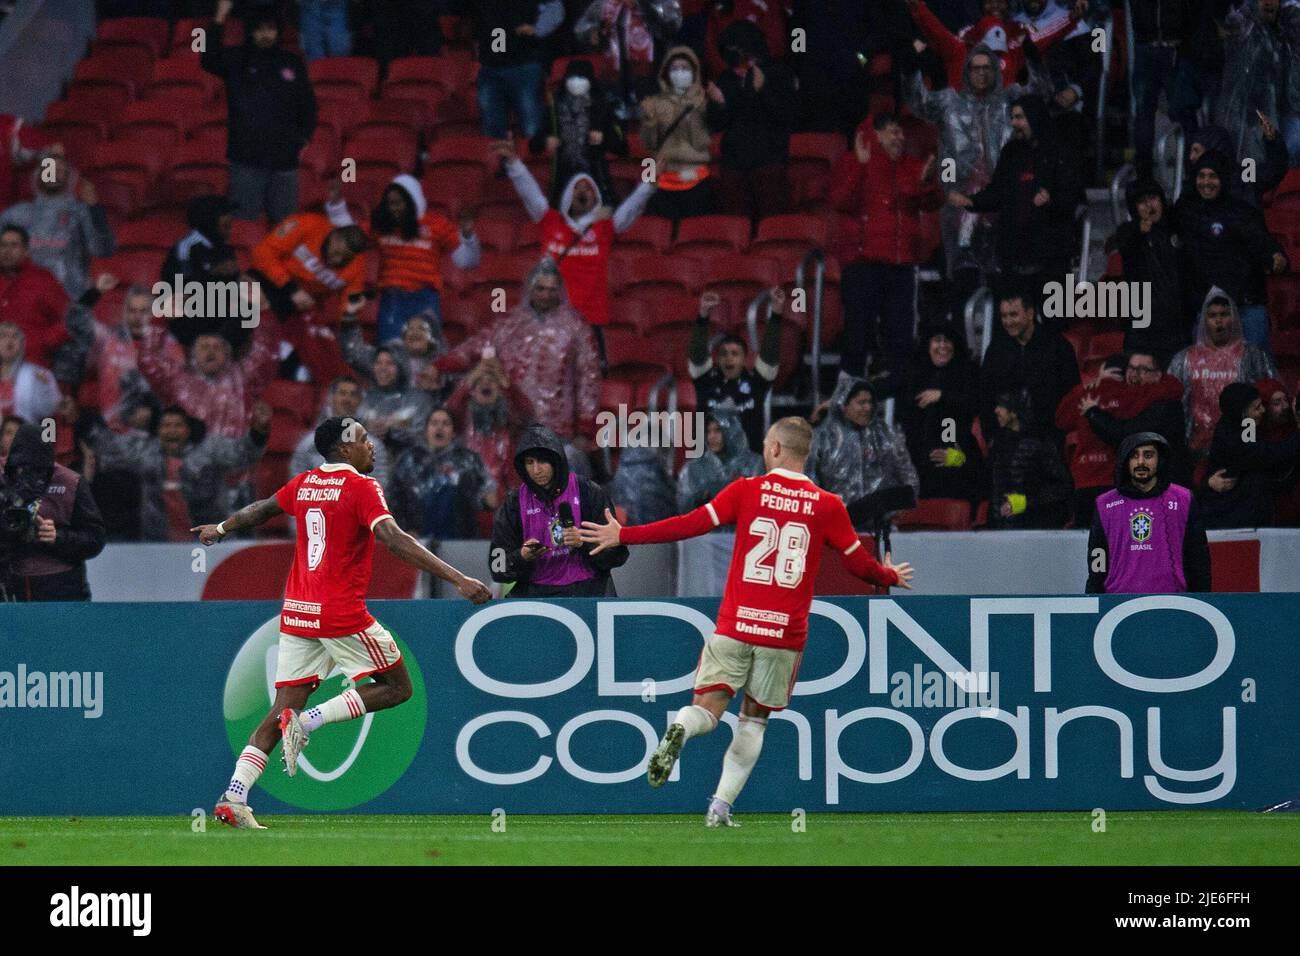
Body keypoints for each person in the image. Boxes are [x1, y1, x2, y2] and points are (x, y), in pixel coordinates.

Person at [578, 416, 913, 826]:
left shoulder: (747, 490)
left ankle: (683, 725)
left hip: (736, 625)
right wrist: (888, 575)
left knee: (706, 710)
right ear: (807, 454)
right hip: (783, 636)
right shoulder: (828, 505)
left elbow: (689, 524)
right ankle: (719, 806)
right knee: (753, 721)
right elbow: (857, 564)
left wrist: (625, 535)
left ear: (773, 449)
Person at [195, 415, 492, 829]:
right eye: (364, 441)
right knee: (398, 687)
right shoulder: (361, 486)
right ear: (344, 448)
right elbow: (394, 538)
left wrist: (221, 527)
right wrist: (459, 577)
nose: (371, 447)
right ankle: (310, 721)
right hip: (340, 613)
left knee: (279, 709)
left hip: (298, 611)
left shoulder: (304, 483)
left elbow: (260, 510)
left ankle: (235, 795)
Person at [905, 43, 1051, 307]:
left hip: (1006, 204)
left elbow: (1042, 95)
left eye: (987, 68)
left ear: (995, 71)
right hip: (962, 206)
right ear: (966, 71)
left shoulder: (1011, 101)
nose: (981, 73)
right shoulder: (949, 102)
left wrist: (1034, 58)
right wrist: (913, 64)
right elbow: (918, 102)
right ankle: (962, 338)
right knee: (963, 280)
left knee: (1004, 285)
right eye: (975, 68)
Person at [493, 137, 654, 334]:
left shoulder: (604, 228)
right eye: (577, 188)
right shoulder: (549, 220)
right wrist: (513, 162)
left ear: (596, 196)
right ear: (568, 194)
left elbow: (633, 205)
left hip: (590, 318)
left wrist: (650, 181)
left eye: (587, 188)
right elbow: (530, 192)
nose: (582, 192)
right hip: (550, 316)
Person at [436, 260, 601, 451]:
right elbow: (474, 347)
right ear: (530, 289)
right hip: (513, 423)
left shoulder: (576, 327)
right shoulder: (510, 324)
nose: (546, 295)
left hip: (556, 427)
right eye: (540, 288)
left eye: (552, 289)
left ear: (560, 291)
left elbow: (589, 379)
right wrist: (439, 366)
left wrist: (585, 429)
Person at [830, 112, 939, 388]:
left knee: (901, 338)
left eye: (901, 132)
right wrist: (860, 166)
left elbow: (931, 203)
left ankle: (899, 404)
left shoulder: (912, 166)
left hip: (901, 266)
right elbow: (840, 201)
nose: (900, 137)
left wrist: (926, 183)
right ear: (875, 135)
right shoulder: (852, 161)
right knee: (857, 334)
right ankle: (846, 399)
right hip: (863, 263)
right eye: (892, 131)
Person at [947, 94, 1083, 297]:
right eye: (1012, 117)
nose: (1014, 123)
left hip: (1050, 257)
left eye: (1019, 117)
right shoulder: (1011, 152)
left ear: (1034, 117)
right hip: (1014, 255)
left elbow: (1073, 198)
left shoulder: (1059, 152)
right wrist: (971, 201)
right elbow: (998, 192)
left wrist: (1050, 201)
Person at [83, 401, 270, 541]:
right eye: (165, 426)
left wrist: (259, 430)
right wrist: (81, 418)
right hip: (158, 546)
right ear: (157, 431)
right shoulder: (145, 451)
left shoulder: (210, 448)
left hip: (212, 540)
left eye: (177, 425)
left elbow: (243, 453)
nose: (171, 431)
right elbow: (109, 446)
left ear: (188, 430)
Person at [328, 175, 480, 346]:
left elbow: (467, 261)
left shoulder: (437, 224)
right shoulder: (382, 225)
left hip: (425, 301)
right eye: (391, 203)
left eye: (400, 202)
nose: (395, 208)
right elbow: (349, 237)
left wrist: (468, 236)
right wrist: (337, 205)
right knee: (392, 357)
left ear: (413, 200)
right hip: (392, 301)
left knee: (426, 357)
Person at [201, 1, 317, 224]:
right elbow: (206, 57)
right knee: (243, 225)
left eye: (271, 29)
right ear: (250, 31)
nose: (266, 35)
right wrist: (219, 19)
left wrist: (304, 138)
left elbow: (308, 106)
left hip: (284, 162)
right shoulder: (236, 59)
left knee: (285, 229)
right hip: (246, 161)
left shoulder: (291, 62)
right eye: (260, 29)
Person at [489, 422, 628, 597]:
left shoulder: (589, 492)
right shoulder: (513, 504)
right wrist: (522, 556)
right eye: (529, 462)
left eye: (542, 461)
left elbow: (618, 555)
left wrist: (584, 543)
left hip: (588, 592)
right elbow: (497, 568)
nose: (536, 470)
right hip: (536, 597)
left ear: (556, 460)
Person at [1174, 150, 1287, 350]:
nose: (1206, 182)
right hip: (1206, 312)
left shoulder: (1242, 212)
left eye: (1212, 176)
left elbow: (1264, 244)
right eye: (1201, 176)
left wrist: (1277, 257)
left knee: (1256, 376)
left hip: (1246, 308)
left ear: (1223, 179)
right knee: (1205, 378)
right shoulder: (1185, 211)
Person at [1086, 432, 1212, 592]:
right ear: (1125, 461)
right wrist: (1093, 602)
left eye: (1148, 455)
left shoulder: (1183, 499)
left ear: (1160, 459)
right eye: (1134, 456)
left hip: (1174, 602)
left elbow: (1198, 559)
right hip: (1117, 603)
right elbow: (1097, 564)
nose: (1140, 462)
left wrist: (1203, 602)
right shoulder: (1105, 504)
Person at [249, 213, 367, 383]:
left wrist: (349, 317)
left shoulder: (357, 266)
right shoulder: (309, 225)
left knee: (325, 345)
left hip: (303, 308)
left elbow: (349, 304)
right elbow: (263, 253)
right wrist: (291, 289)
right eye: (337, 252)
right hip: (268, 285)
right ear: (334, 237)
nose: (338, 259)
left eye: (345, 258)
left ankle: (301, 375)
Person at [705, 18, 799, 222]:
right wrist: (719, 103)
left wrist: (761, 91)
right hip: (734, 163)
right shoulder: (726, 78)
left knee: (773, 224)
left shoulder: (778, 73)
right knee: (736, 224)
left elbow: (788, 116)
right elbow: (716, 124)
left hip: (769, 160)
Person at [137, 304, 280, 439]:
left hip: (232, 458)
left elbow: (266, 354)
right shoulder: (176, 379)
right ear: (193, 355)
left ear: (227, 354)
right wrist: (160, 318)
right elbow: (148, 359)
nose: (210, 351)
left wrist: (263, 312)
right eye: (204, 347)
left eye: (217, 347)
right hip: (188, 459)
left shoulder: (243, 377)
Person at [0, 421, 106, 601]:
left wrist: (57, 536)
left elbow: (95, 539)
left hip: (61, 586)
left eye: (38, 469)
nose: (28, 474)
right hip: (9, 582)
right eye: (21, 467)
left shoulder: (70, 482)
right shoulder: (2, 477)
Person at [1168, 287, 1277, 455]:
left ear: (1234, 319)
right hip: (1191, 453)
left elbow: (1271, 395)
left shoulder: (1253, 356)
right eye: (1212, 316)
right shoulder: (1183, 359)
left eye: (1224, 314)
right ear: (1203, 321)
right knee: (1175, 482)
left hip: (1242, 449)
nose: (1218, 321)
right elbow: (1170, 405)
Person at [806, 376, 920, 532]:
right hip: (835, 528)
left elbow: (907, 475)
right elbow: (808, 484)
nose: (868, 408)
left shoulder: (885, 435)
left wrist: (897, 510)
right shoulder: (822, 438)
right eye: (861, 403)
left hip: (880, 527)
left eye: (870, 402)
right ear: (843, 406)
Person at [0, 146, 114, 300]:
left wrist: (94, 209)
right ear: (37, 176)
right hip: (24, 301)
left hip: (69, 301)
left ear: (70, 177)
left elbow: (103, 249)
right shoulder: (16, 215)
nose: (52, 173)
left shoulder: (82, 212)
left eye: (59, 170)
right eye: (48, 168)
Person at [1076, 350, 1191, 488]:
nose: (1134, 373)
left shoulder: (1164, 400)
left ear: (1157, 375)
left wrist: (1094, 414)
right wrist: (1099, 383)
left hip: (1164, 484)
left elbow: (1128, 435)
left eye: (1143, 369)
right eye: (1131, 368)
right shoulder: (1132, 396)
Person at [978, 288, 1080, 444]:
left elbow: (1071, 393)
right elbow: (985, 395)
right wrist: (991, 436)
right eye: (1004, 316)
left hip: (1048, 438)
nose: (1008, 322)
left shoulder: (1057, 346)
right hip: (1006, 439)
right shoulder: (996, 349)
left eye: (1013, 315)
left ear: (1030, 313)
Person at [1106, 178, 1189, 365]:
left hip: (1176, 327)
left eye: (1153, 198)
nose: (1149, 205)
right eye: (1141, 201)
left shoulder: (1176, 229)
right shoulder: (1127, 233)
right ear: (1133, 207)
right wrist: (1139, 231)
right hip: (1142, 330)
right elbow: (1126, 241)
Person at [689, 287, 783, 452]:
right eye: (724, 354)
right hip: (709, 466)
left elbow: (770, 355)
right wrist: (703, 316)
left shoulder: (756, 382)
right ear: (717, 359)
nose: (729, 358)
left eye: (734, 354)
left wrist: (776, 314)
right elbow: (696, 356)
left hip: (748, 466)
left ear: (745, 359)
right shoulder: (706, 381)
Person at [899, 322, 982, 502]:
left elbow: (975, 403)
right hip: (918, 464)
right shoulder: (914, 372)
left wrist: (943, 396)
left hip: (955, 464)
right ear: (928, 345)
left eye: (948, 341)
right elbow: (883, 387)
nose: (943, 346)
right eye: (937, 340)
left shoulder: (967, 373)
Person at [1197, 381, 1300, 527]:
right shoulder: (1233, 440)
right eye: (1256, 408)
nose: (1263, 411)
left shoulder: (1244, 424)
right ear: (1242, 413)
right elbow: (1271, 455)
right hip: (1230, 517)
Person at [84, 284, 184, 433]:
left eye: (143, 311)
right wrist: (94, 292)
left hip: (153, 430)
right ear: (124, 312)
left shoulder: (168, 345)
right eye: (132, 311)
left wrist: (151, 412)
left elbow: (176, 390)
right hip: (109, 430)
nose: (137, 317)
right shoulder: (107, 339)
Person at [1215, 0, 1300, 170]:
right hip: (1254, 112)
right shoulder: (1244, 26)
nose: (1268, 3)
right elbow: (1232, 24)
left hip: (1290, 108)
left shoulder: (1291, 23)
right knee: (1252, 164)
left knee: (1290, 155)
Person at [389, 407, 496, 540]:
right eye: (434, 423)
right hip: (417, 539)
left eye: (446, 423)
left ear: (453, 432)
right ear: (426, 430)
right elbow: (395, 498)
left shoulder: (469, 459)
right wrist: (405, 529)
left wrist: (488, 499)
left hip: (461, 539)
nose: (440, 428)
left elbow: (487, 496)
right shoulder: (408, 460)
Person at [535, 58, 629, 208]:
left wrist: (603, 138)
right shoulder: (554, 108)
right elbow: (534, 145)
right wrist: (545, 141)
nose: (576, 81)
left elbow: (622, 148)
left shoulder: (602, 107)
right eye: (572, 77)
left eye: (581, 77)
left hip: (595, 175)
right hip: (563, 177)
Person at [639, 46, 715, 221]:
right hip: (664, 181)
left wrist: (692, 116)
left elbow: (702, 143)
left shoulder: (703, 102)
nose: (680, 73)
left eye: (685, 68)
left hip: (696, 179)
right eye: (674, 68)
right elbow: (649, 146)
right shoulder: (655, 103)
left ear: (694, 71)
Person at [159, 195, 243, 349]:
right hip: (190, 332)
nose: (231, 218)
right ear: (208, 219)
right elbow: (179, 296)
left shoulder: (223, 248)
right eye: (224, 213)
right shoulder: (185, 249)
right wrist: (212, 275)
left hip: (221, 329)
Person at [444, 354, 534, 498]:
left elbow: (527, 411)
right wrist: (468, 382)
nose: (486, 383)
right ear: (472, 390)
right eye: (479, 381)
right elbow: (449, 411)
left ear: (500, 389)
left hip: (506, 492)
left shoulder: (512, 418)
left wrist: (507, 384)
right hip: (470, 491)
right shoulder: (463, 416)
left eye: (492, 380)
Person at [472, 0, 559, 141]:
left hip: (523, 65)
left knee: (531, 128)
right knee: (492, 132)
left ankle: (530, 163)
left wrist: (538, 29)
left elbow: (555, 7)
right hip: (490, 67)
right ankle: (499, 163)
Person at [986, 389, 1072, 529]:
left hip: (1031, 527)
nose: (996, 410)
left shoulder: (1039, 443)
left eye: (1002, 406)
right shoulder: (998, 443)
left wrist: (1026, 502)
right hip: (999, 528)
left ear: (1014, 412)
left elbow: (1062, 487)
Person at [290, 377, 392, 490]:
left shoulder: (373, 446)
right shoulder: (308, 444)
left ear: (359, 401)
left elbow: (379, 488)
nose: (347, 399)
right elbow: (297, 485)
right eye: (342, 393)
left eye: (353, 395)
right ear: (331, 398)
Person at [677, 409, 763, 515]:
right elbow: (681, 508)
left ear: (732, 432)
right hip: (707, 530)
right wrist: (698, 499)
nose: (711, 436)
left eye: (717, 430)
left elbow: (762, 504)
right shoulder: (692, 469)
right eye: (708, 431)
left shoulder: (754, 464)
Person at [0, 323, 59, 424]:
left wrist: (44, 387)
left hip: (24, 435)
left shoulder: (39, 374)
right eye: (3, 336)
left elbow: (49, 410)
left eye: (15, 336)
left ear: (22, 344)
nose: (9, 341)